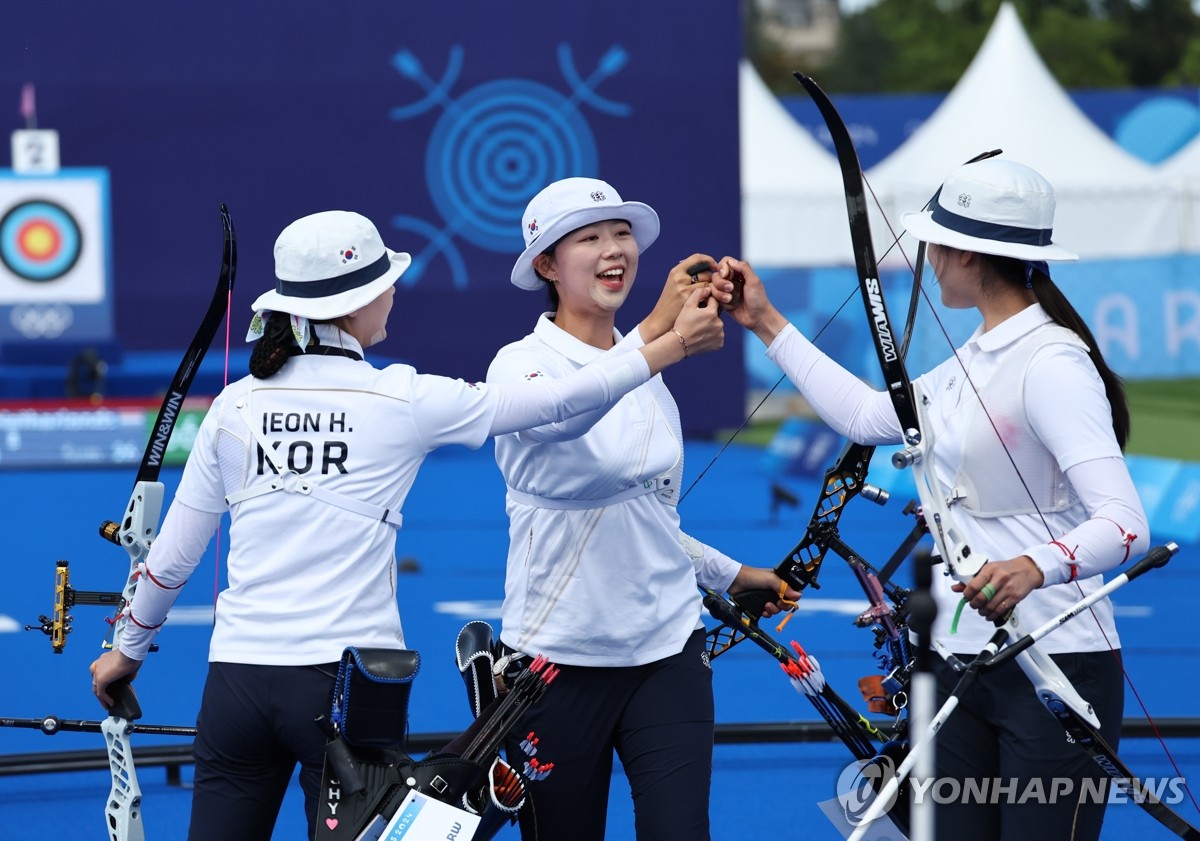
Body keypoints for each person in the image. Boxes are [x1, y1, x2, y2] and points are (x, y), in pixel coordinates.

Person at [87, 208, 724, 841]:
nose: (394, 292)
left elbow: (170, 559)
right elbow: (558, 402)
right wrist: (670, 344)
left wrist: (126, 652)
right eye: (384, 283)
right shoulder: (404, 398)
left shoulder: (234, 404)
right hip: (347, 690)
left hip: (237, 686)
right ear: (357, 303)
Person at [719, 157, 1148, 841]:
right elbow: (868, 415)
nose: (929, 260)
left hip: (1054, 665)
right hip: (958, 661)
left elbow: (1126, 526)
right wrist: (765, 321)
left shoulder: (1052, 362)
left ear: (968, 254)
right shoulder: (978, 356)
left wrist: (1035, 565)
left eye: (936, 245)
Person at [488, 177, 800, 841]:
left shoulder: (648, 372)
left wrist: (734, 572)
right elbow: (565, 416)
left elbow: (648, 516)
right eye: (590, 238)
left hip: (667, 651)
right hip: (554, 663)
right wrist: (661, 339)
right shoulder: (518, 366)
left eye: (621, 234)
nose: (614, 251)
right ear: (546, 264)